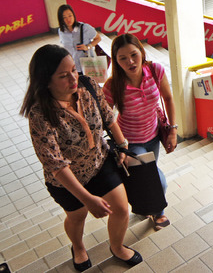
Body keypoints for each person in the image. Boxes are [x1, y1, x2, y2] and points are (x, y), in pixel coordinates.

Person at [21, 45, 142, 271]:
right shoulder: (40, 114)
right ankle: (78, 247)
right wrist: (87, 198)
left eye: (74, 70)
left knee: (122, 208)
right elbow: (55, 164)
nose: (73, 78)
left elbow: (108, 116)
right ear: (46, 81)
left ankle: (116, 247)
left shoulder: (87, 85)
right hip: (66, 180)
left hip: (99, 162)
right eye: (63, 75)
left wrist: (123, 145)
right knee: (78, 216)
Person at [103, 34, 177, 231]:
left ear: (142, 53)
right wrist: (119, 144)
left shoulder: (155, 70)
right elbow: (105, 117)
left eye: (134, 55)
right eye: (123, 58)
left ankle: (144, 206)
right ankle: (158, 212)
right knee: (157, 181)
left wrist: (173, 130)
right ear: (116, 61)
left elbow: (168, 98)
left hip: (153, 136)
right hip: (129, 143)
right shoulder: (113, 85)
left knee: (146, 177)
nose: (130, 62)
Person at [57, 4, 102, 73]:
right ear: (61, 19)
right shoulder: (61, 31)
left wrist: (88, 47)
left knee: (90, 82)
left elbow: (98, 38)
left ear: (73, 15)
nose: (68, 19)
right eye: (64, 17)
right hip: (73, 67)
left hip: (87, 64)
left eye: (70, 15)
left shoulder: (85, 28)